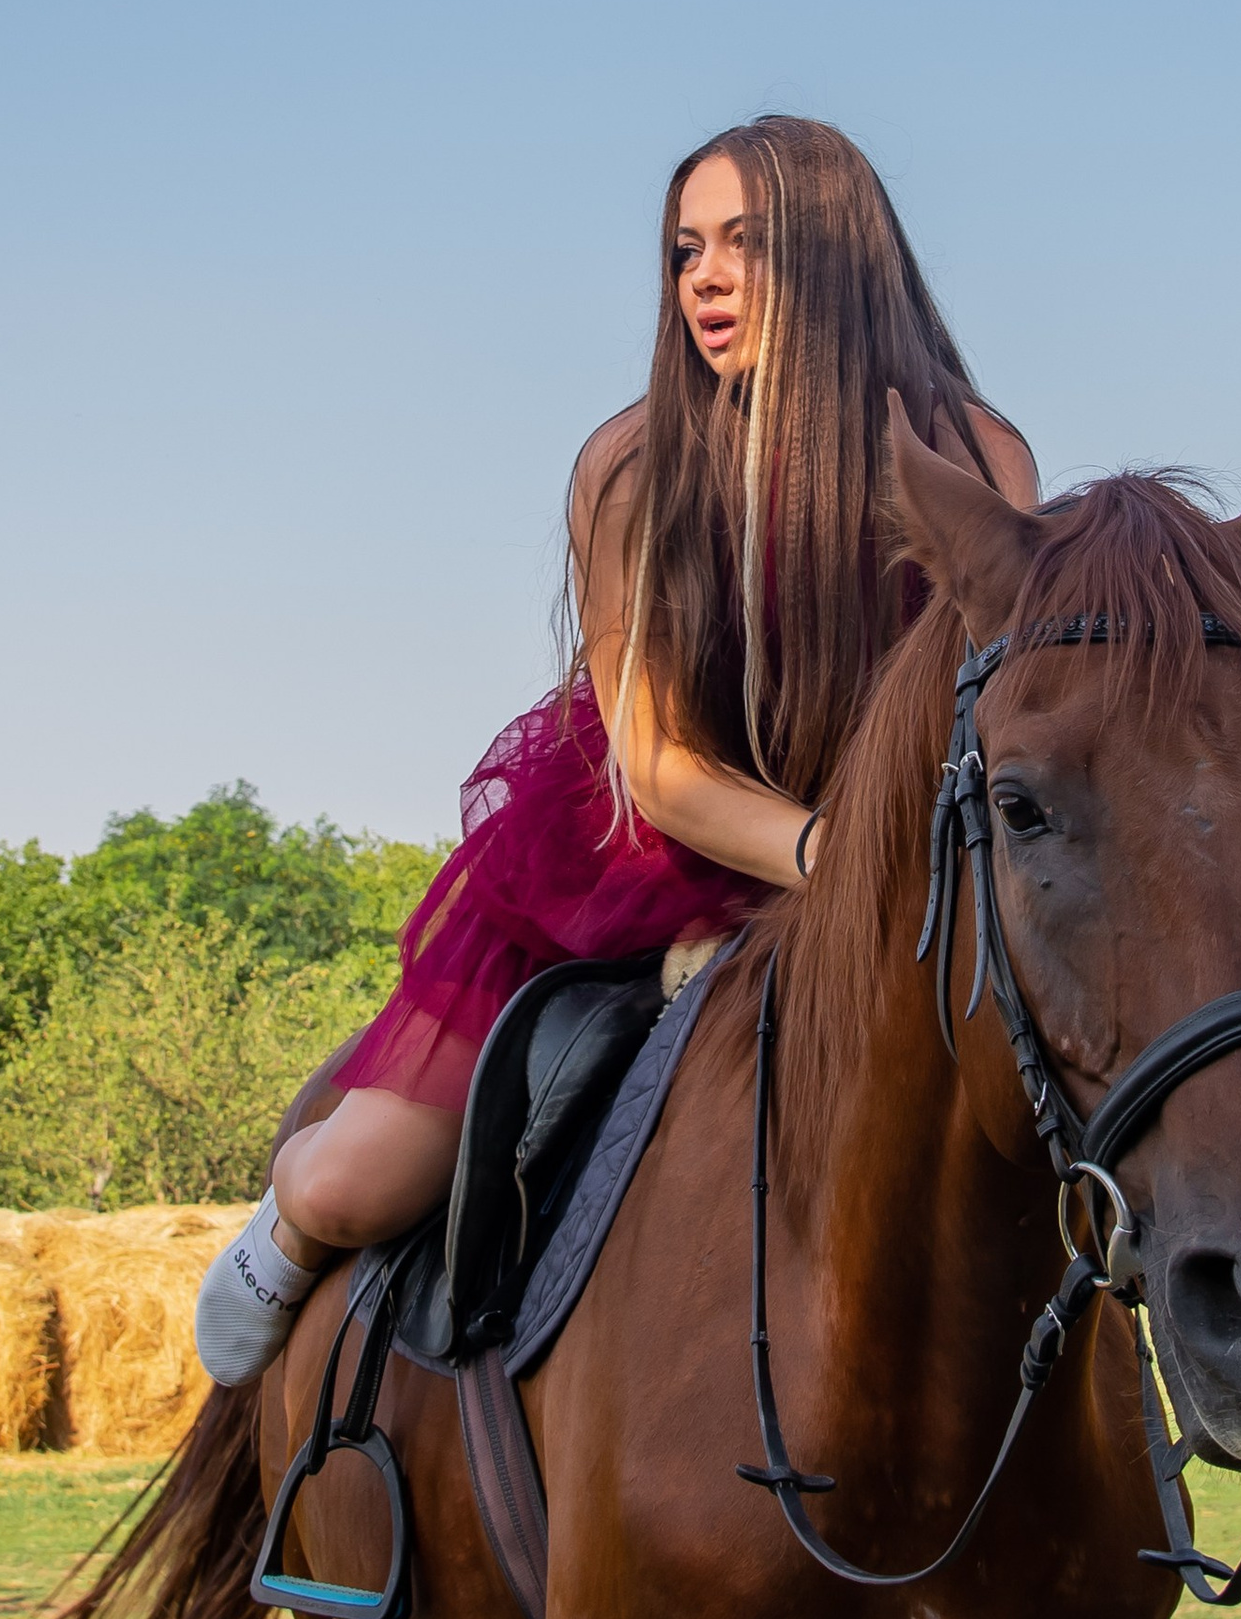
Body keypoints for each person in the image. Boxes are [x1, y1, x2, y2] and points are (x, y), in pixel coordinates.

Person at [194, 116, 1038, 1384]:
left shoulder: (979, 456)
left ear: (837, 254)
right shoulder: (633, 467)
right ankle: (284, 1220)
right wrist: (834, 854)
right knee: (367, 1182)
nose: (702, 276)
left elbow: (999, 707)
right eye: (684, 247)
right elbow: (657, 766)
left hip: (899, 867)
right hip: (648, 855)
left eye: (744, 244)